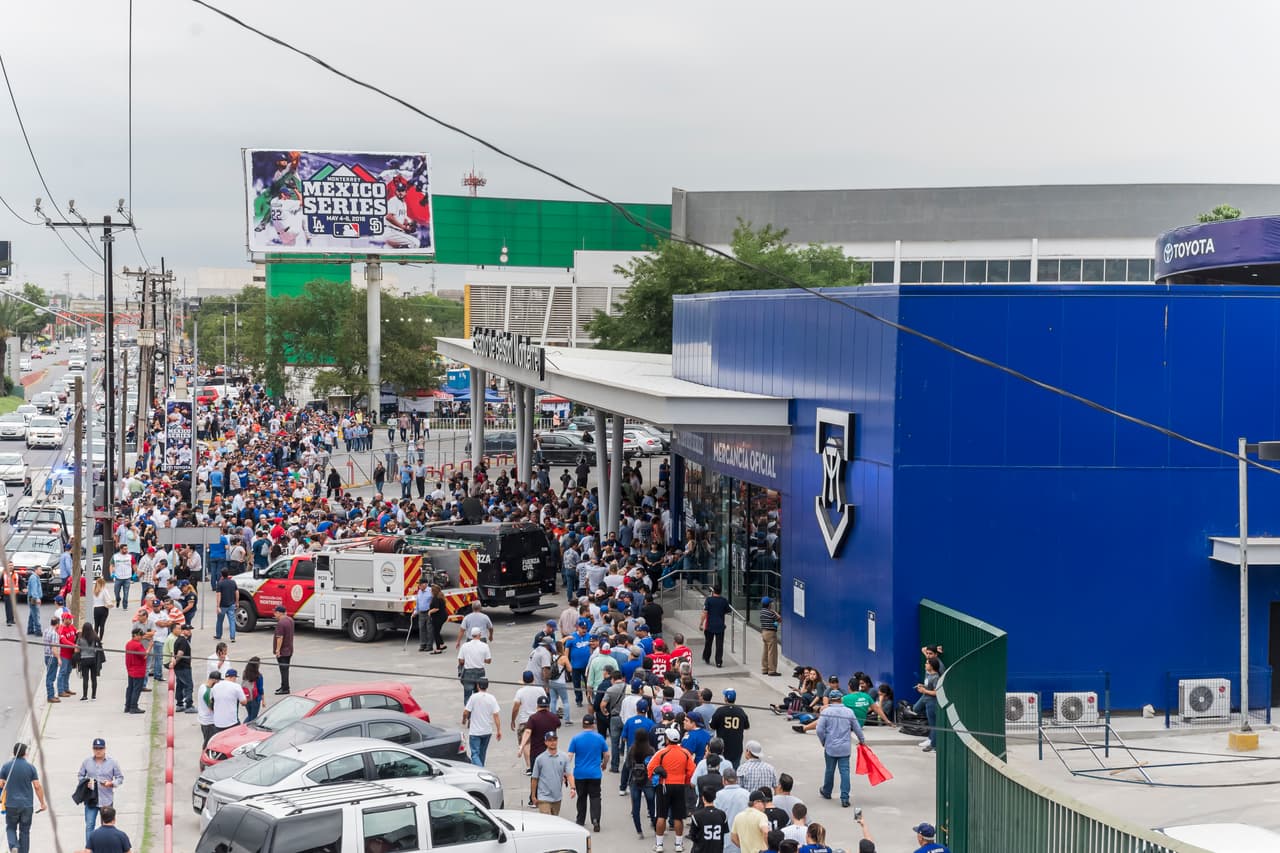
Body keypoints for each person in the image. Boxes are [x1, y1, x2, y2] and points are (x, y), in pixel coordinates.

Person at [648, 726, 696, 853]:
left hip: (664, 785)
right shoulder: (686, 753)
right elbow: (691, 770)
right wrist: (685, 782)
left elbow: (650, 768)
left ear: (667, 739)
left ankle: (659, 845)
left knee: (661, 815)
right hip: (679, 786)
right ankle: (678, 845)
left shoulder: (661, 753)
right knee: (678, 816)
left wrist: (655, 776)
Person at [0, 742, 46, 853]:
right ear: (25, 753)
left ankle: (14, 846)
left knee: (10, 827)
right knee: (25, 831)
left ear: (14, 752)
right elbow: (37, 786)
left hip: (11, 805)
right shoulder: (30, 768)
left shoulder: (6, 767)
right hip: (27, 806)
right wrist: (42, 803)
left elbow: (1, 784)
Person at [77, 738, 124, 845]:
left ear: (105, 749)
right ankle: (90, 848)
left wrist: (111, 783)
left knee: (107, 827)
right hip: (91, 799)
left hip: (106, 800)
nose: (98, 751)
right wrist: (85, 782)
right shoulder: (87, 762)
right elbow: (80, 775)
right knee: (89, 825)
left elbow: (120, 778)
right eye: (96, 748)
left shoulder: (112, 762)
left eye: (100, 748)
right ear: (93, 749)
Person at [568, 712, 608, 832]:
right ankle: (595, 819)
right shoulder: (599, 738)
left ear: (582, 724)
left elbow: (569, 755)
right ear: (593, 724)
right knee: (595, 797)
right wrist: (604, 764)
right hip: (595, 774)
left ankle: (580, 820)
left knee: (582, 797)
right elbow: (607, 754)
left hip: (579, 774)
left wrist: (565, 771)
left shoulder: (576, 738)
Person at [530, 731, 571, 816]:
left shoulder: (563, 756)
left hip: (557, 797)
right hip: (543, 797)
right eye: (550, 740)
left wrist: (573, 787)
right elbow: (534, 778)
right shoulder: (540, 759)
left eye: (554, 740)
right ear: (545, 742)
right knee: (547, 823)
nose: (553, 742)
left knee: (555, 822)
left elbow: (569, 774)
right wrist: (533, 796)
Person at [462, 678, 501, 767]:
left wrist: (464, 720)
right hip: (487, 731)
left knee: (475, 754)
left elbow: (466, 712)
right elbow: (496, 715)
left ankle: (481, 769)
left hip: (475, 732)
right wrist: (499, 730)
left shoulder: (473, 697)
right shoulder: (492, 698)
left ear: (478, 686)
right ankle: (480, 772)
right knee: (482, 754)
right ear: (487, 686)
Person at [626, 727, 657, 838]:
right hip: (648, 781)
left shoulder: (632, 749)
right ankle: (655, 826)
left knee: (636, 807)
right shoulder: (651, 750)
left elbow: (627, 765)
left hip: (634, 780)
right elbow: (654, 765)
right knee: (651, 806)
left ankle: (639, 831)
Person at [710, 690, 749, 766]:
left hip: (722, 747)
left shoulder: (720, 711)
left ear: (725, 698)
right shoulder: (740, 711)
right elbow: (747, 726)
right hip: (736, 746)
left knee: (721, 768)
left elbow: (712, 726)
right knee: (734, 769)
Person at [689, 783, 729, 853]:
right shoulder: (722, 815)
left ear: (703, 798)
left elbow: (692, 836)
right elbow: (724, 832)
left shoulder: (696, 816)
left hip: (702, 849)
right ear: (715, 798)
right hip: (717, 849)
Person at [458, 627, 492, 703]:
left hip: (468, 673)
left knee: (467, 695)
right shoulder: (484, 646)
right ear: (479, 635)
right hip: (480, 672)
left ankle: (468, 712)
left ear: (471, 635)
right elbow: (489, 661)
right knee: (479, 695)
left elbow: (461, 661)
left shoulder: (465, 646)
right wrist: (480, 659)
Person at [701, 586, 730, 668]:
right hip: (720, 625)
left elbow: (705, 612)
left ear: (713, 591)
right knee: (719, 645)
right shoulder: (724, 601)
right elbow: (728, 610)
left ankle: (707, 657)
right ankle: (718, 662)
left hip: (710, 625)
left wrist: (701, 623)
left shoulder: (709, 600)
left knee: (708, 642)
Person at [211, 668, 248, 733]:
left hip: (217, 723)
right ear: (233, 677)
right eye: (235, 678)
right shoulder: (236, 686)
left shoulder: (215, 686)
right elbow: (244, 702)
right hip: (231, 722)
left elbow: (212, 700)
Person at [917, 657, 941, 752]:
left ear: (932, 665)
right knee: (932, 724)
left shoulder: (935, 677)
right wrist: (923, 686)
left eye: (927, 663)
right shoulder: (929, 675)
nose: (925, 664)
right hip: (927, 701)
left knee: (933, 725)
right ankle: (932, 743)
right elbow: (929, 687)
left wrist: (924, 690)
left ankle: (934, 745)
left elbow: (936, 692)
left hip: (932, 702)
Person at [76, 622, 103, 701]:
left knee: (85, 678)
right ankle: (93, 696)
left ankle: (85, 696)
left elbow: (77, 650)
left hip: (84, 659)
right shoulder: (95, 638)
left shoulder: (80, 639)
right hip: (93, 659)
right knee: (93, 678)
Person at [171, 623, 194, 712]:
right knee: (189, 685)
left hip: (179, 667)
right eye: (188, 630)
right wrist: (175, 662)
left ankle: (179, 704)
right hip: (184, 667)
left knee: (180, 685)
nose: (190, 632)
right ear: (183, 631)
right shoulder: (183, 641)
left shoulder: (179, 640)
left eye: (190, 630)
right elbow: (180, 653)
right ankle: (189, 705)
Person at [197, 670, 223, 746]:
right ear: (214, 680)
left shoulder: (202, 686)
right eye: (218, 681)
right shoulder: (208, 692)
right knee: (209, 743)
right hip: (209, 722)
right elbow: (211, 707)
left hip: (204, 719)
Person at [273, 605, 294, 694]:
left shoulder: (281, 623)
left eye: (275, 612)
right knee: (285, 669)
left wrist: (278, 650)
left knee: (283, 670)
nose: (274, 614)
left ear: (278, 613)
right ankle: (283, 686)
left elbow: (280, 638)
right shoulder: (290, 620)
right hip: (289, 649)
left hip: (283, 651)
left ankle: (285, 688)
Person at [57, 613, 78, 698]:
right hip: (64, 654)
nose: (71, 620)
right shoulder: (61, 629)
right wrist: (74, 645)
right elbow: (63, 641)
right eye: (69, 619)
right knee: (62, 672)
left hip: (71, 654)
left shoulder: (72, 627)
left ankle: (66, 688)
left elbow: (76, 633)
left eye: (71, 619)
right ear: (64, 619)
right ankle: (60, 690)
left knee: (68, 671)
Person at [758, 596, 781, 676]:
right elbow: (779, 619)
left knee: (765, 651)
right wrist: (775, 612)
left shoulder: (762, 612)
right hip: (771, 633)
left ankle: (764, 669)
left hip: (764, 632)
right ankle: (772, 670)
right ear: (769, 604)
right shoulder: (770, 612)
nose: (771, 604)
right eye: (771, 603)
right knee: (772, 652)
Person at [213, 569, 238, 642]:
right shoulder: (233, 582)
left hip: (222, 606)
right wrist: (237, 602)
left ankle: (218, 635)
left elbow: (219, 595)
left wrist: (217, 606)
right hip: (231, 605)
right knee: (232, 621)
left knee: (220, 621)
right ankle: (232, 637)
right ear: (228, 574)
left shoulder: (220, 583)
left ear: (221, 574)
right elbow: (237, 592)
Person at [42, 615, 61, 703]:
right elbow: (54, 648)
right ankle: (50, 696)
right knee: (51, 677)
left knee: (50, 675)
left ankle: (52, 695)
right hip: (52, 657)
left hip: (46, 655)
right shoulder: (54, 634)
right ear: (57, 624)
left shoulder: (46, 631)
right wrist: (59, 658)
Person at [242, 656, 265, 722]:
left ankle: (243, 726)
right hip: (255, 699)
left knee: (250, 715)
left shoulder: (245, 673)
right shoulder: (259, 676)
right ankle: (244, 728)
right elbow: (260, 689)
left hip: (247, 697)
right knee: (253, 718)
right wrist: (263, 700)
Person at [111, 543, 133, 609]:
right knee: (116, 592)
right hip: (118, 577)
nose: (126, 550)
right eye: (124, 549)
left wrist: (135, 574)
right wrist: (112, 573)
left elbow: (134, 565)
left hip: (127, 577)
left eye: (127, 549)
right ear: (120, 549)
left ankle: (125, 605)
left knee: (126, 592)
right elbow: (111, 565)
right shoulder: (115, 556)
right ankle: (118, 600)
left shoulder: (130, 556)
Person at [414, 579, 434, 651]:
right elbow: (417, 603)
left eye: (420, 584)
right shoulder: (419, 591)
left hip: (429, 612)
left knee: (429, 629)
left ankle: (429, 645)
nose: (419, 586)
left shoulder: (430, 591)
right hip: (421, 613)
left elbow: (435, 600)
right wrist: (415, 611)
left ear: (425, 584)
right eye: (419, 584)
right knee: (422, 629)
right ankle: (423, 644)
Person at [92, 577, 111, 641]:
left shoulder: (94, 591)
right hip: (103, 608)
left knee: (96, 625)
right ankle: (100, 639)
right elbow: (108, 599)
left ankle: (95, 639)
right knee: (102, 625)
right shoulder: (104, 590)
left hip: (96, 609)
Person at [26, 571, 42, 637]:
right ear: (36, 570)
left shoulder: (35, 577)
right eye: (40, 570)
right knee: (35, 615)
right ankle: (38, 631)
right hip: (33, 599)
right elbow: (34, 589)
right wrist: (37, 598)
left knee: (32, 614)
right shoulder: (34, 578)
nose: (41, 571)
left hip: (32, 598)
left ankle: (30, 629)